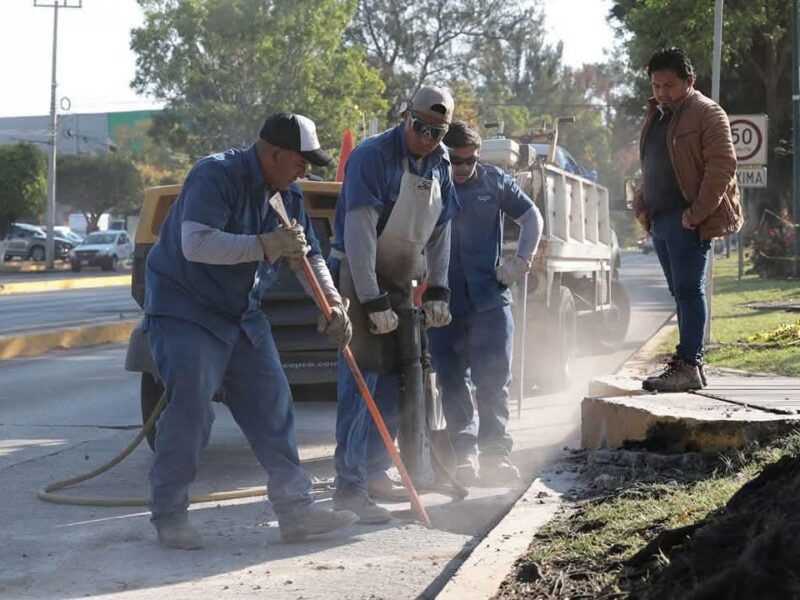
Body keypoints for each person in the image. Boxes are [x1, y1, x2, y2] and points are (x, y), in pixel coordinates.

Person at [143, 112, 358, 549]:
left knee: (273, 406)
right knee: (191, 411)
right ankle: (169, 515)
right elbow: (196, 243)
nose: (306, 170)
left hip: (241, 313)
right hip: (186, 308)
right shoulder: (214, 174)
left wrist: (332, 303)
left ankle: (296, 512)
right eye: (301, 161)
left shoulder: (288, 196)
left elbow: (308, 256)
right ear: (274, 153)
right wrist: (263, 245)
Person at [330, 86, 459, 523]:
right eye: (420, 127)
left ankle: (375, 470)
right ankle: (348, 488)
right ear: (406, 116)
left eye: (437, 132)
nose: (426, 138)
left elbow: (441, 231)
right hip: (357, 272)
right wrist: (369, 299)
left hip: (402, 278)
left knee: (396, 379)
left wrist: (439, 288)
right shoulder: (371, 157)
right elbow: (359, 233)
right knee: (361, 380)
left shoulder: (440, 161)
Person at [427, 121, 543, 484]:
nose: (462, 168)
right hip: (443, 301)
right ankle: (464, 454)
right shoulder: (429, 182)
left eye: (469, 161)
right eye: (455, 161)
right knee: (451, 379)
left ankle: (496, 455)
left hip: (489, 301)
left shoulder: (494, 182)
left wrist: (519, 264)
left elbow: (531, 218)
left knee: (493, 380)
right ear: (444, 156)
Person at [633, 48, 743, 393]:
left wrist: (697, 213)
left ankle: (689, 364)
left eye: (669, 85)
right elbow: (651, 163)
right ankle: (684, 363)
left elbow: (722, 165)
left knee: (688, 290)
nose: (662, 92)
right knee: (678, 292)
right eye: (656, 85)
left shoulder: (707, 113)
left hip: (687, 219)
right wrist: (641, 203)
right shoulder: (658, 114)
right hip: (662, 218)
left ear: (689, 81)